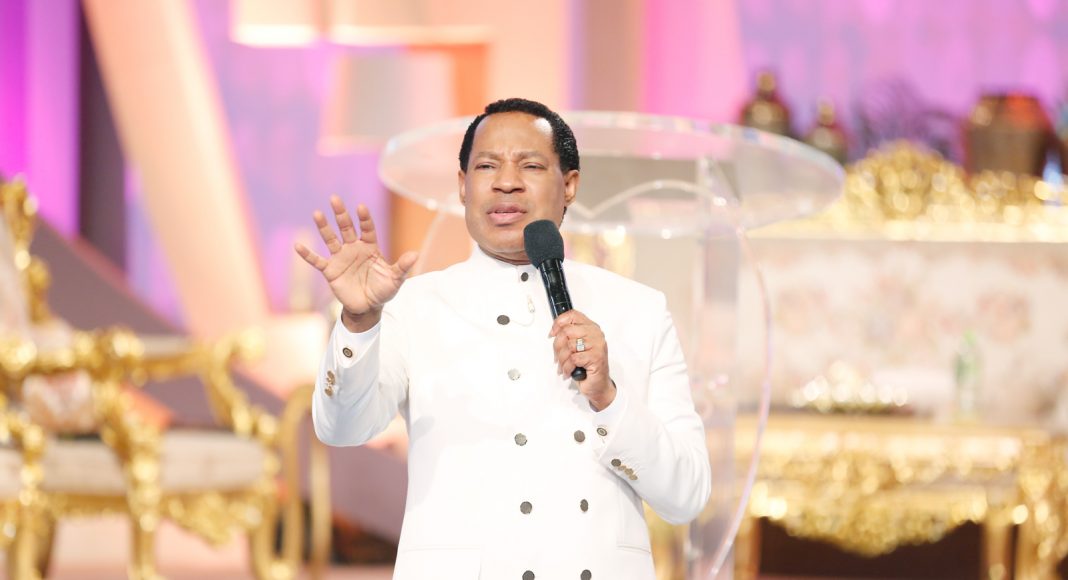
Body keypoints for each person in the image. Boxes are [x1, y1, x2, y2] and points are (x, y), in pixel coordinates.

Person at [296, 98, 711, 580]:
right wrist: (358, 320)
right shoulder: (414, 306)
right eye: (487, 166)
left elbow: (687, 495)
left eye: (530, 165)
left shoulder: (639, 310)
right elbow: (342, 428)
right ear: (462, 186)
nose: (506, 182)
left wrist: (609, 399)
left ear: (569, 185)